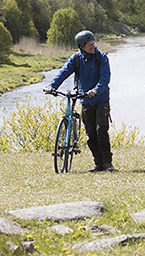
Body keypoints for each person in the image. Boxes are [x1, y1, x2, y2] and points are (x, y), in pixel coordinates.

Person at [44, 29, 115, 173]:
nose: (93, 46)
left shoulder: (102, 57)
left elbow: (105, 78)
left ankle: (108, 163)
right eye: (89, 44)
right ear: (81, 46)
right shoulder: (76, 59)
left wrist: (95, 90)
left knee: (101, 130)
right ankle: (98, 164)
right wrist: (52, 86)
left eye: (93, 43)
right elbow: (63, 72)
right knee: (91, 134)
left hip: (101, 99)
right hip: (85, 101)